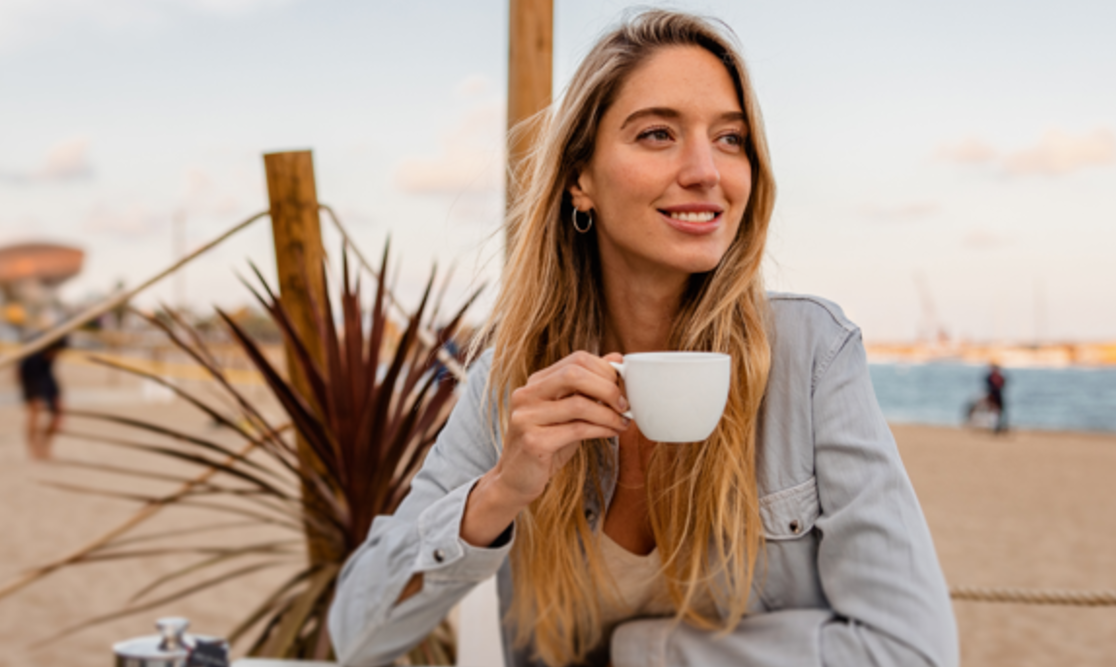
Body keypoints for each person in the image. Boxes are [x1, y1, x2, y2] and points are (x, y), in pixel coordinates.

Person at [329, 11, 958, 667]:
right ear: (581, 178)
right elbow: (358, 632)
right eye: (658, 134)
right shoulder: (513, 380)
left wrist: (641, 651)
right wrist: (498, 494)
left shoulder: (810, 354)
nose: (705, 170)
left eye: (730, 138)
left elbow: (911, 651)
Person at [18, 336, 68, 460]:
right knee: (35, 412)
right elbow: (23, 373)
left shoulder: (53, 351)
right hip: (31, 379)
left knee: (58, 413)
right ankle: (34, 450)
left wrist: (56, 396)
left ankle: (45, 448)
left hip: (46, 379)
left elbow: (49, 374)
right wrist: (33, 396)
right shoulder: (34, 354)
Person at [985, 362, 1008, 435]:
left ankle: (997, 426)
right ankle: (994, 426)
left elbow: (1003, 384)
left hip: (997, 395)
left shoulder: (997, 377)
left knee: (998, 411)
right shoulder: (991, 377)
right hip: (994, 395)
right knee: (994, 411)